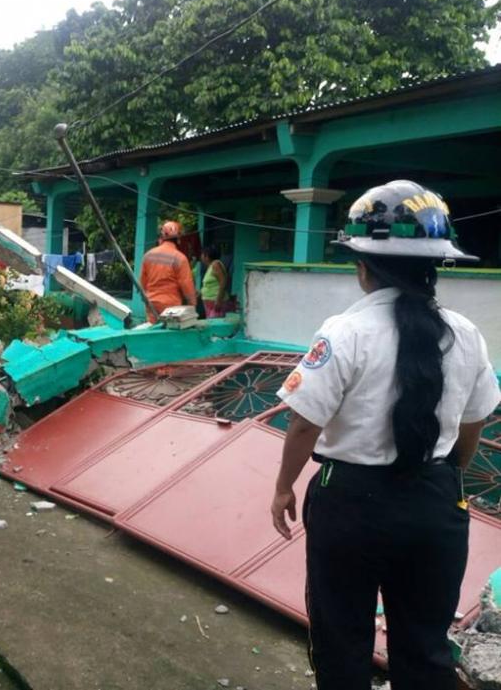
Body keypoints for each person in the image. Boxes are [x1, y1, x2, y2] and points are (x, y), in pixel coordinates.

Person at [269, 180, 500, 690]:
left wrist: (284, 486)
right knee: (424, 646)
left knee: (342, 637)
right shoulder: (466, 333)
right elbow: (475, 420)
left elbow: (305, 420)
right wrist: (448, 478)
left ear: (363, 265)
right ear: (434, 264)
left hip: (350, 503)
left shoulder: (344, 332)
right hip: (436, 504)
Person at [139, 220, 197, 323]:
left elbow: (142, 283)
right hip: (171, 307)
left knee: (152, 333)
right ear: (178, 238)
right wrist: (193, 305)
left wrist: (145, 299)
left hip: (152, 304)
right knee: (168, 335)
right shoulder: (180, 258)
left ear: (162, 237)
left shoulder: (148, 255)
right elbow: (186, 285)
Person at [199, 244, 228, 318]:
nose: (201, 257)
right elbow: (210, 285)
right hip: (209, 302)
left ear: (207, 256)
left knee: (215, 326)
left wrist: (218, 301)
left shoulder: (216, 264)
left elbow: (223, 282)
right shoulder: (210, 266)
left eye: (202, 254)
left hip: (215, 302)